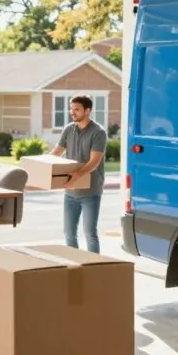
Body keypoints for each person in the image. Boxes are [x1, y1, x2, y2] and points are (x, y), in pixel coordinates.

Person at [50, 95, 107, 254]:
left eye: (77, 109)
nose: (72, 113)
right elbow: (56, 152)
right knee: (69, 234)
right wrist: (43, 166)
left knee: (90, 234)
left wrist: (75, 177)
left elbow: (94, 161)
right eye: (71, 109)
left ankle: (93, 268)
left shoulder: (98, 132)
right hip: (70, 192)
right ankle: (74, 266)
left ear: (87, 110)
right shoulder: (69, 129)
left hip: (90, 191)